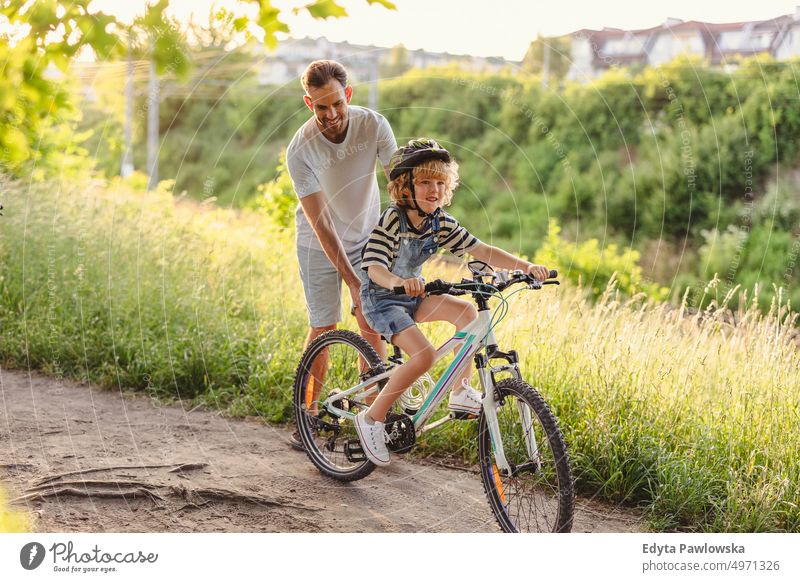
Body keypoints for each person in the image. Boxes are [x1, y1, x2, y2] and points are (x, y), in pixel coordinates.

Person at [354, 138, 551, 466]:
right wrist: (398, 282)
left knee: (467, 312)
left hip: (414, 295)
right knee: (424, 356)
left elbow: (483, 250)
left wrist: (526, 267)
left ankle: (460, 391)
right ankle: (372, 418)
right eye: (424, 182)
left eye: (440, 183)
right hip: (382, 297)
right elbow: (374, 267)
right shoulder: (393, 219)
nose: (433, 190)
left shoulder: (440, 223)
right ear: (406, 186)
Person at [286, 60, 397, 450]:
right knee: (325, 327)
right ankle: (308, 416)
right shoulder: (300, 150)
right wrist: (353, 283)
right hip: (319, 241)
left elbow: (398, 186)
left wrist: (399, 243)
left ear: (347, 95)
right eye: (320, 107)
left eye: (336, 103)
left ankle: (373, 420)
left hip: (366, 235)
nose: (330, 115)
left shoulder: (374, 125)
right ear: (308, 103)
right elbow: (322, 224)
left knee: (372, 323)